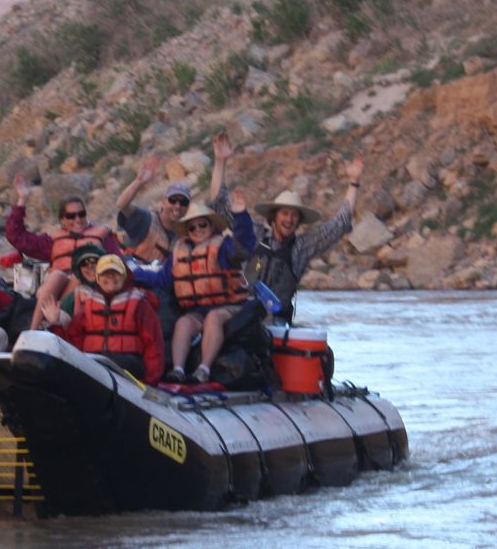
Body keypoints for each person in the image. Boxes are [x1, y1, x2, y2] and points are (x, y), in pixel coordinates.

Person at [215, 155, 366, 323]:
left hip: (277, 323)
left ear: (299, 221)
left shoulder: (301, 247)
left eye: (294, 215)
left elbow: (340, 224)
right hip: (243, 315)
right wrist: (220, 161)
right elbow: (221, 208)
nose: (289, 219)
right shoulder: (253, 233)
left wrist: (354, 182)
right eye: (285, 213)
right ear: (274, 216)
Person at [130, 192, 257, 382]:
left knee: (213, 318)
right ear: (187, 231)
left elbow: (244, 245)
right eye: (192, 227)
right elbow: (162, 280)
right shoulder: (179, 252)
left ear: (212, 226)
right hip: (198, 309)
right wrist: (130, 273)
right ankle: (178, 370)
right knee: (183, 323)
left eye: (202, 225)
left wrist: (241, 216)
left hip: (230, 306)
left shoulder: (224, 248)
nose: (198, 229)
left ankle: (203, 370)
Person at [5, 174, 124, 329]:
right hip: (56, 289)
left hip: (88, 285)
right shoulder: (52, 240)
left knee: (77, 276)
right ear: (62, 219)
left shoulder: (101, 236)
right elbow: (16, 236)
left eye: (81, 214)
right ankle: (33, 330)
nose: (77, 219)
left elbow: (118, 262)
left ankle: (55, 320)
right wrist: (22, 200)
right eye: (71, 216)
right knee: (56, 276)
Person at [111, 133, 234, 264]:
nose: (177, 206)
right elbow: (122, 205)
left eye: (183, 202)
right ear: (163, 202)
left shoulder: (190, 230)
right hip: (134, 275)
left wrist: (220, 162)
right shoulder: (144, 220)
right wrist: (139, 182)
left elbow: (216, 200)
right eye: (173, 200)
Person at [57, 254, 164, 381]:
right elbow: (73, 341)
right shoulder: (88, 306)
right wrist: (55, 323)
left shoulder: (140, 304)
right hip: (94, 361)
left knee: (103, 364)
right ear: (98, 278)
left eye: (115, 273)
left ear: (124, 276)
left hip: (128, 364)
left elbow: (154, 344)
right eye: (105, 273)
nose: (110, 276)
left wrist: (151, 380)